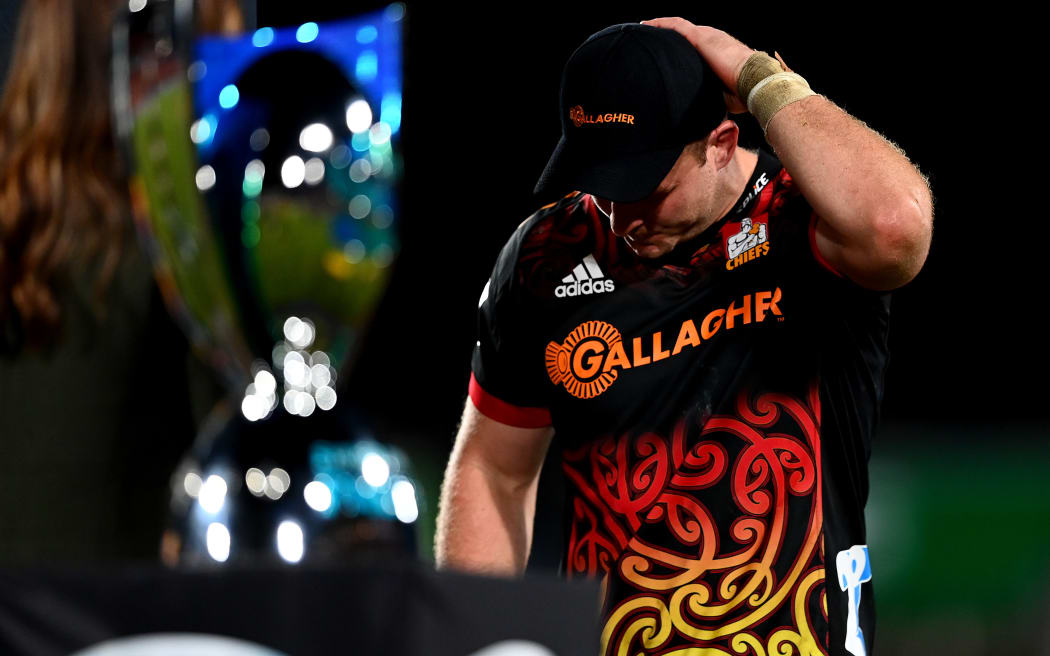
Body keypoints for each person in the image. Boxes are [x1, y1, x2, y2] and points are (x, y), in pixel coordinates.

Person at [435, 18, 932, 656]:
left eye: (647, 188)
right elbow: (493, 469)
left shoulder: (806, 222)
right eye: (601, 183)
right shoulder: (545, 256)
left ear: (722, 142)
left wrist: (754, 72)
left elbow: (896, 230)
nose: (620, 215)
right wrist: (475, 637)